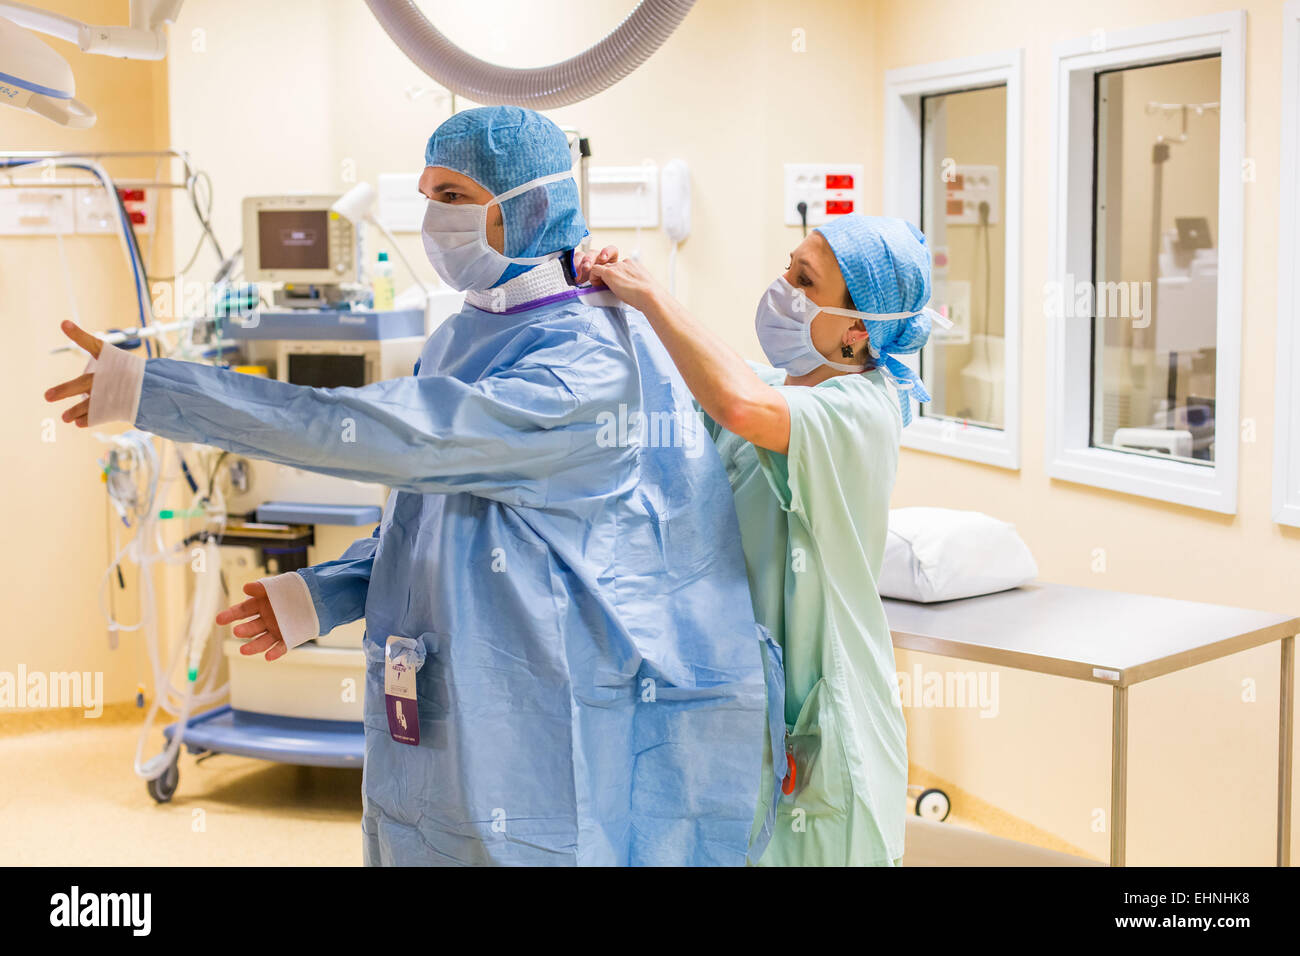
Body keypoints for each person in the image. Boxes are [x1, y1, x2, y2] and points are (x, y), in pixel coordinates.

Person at [44, 106, 779, 867]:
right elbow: (434, 511)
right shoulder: (467, 333)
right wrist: (325, 592)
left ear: (527, 207)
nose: (434, 217)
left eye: (454, 196)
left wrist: (154, 391)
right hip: (440, 700)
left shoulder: (585, 367)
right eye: (427, 194)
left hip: (537, 713)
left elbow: (383, 432)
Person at [578, 214, 941, 866]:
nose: (784, 286)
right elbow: (704, 384)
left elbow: (738, 407)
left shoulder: (860, 411)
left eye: (804, 279)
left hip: (826, 725)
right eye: (788, 266)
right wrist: (609, 302)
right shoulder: (778, 388)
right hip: (746, 715)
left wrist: (653, 294)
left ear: (858, 331)